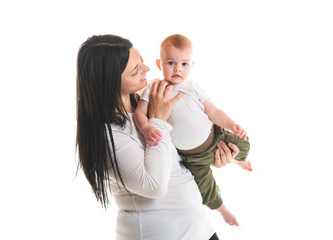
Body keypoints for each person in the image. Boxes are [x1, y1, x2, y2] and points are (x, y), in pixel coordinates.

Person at [76, 34, 240, 240]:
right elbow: (154, 185)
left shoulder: (146, 103)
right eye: (136, 70)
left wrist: (210, 155)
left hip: (200, 229)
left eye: (142, 62)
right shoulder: (107, 134)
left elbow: (175, 159)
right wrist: (159, 119)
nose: (146, 70)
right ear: (110, 82)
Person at [134, 34, 251, 226]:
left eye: (184, 64)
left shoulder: (193, 87)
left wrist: (231, 124)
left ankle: (240, 161)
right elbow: (140, 113)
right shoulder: (153, 88)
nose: (178, 68)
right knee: (206, 189)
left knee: (243, 144)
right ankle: (223, 210)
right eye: (171, 63)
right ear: (159, 63)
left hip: (215, 138)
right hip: (191, 157)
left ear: (191, 65)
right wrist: (146, 127)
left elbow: (213, 111)